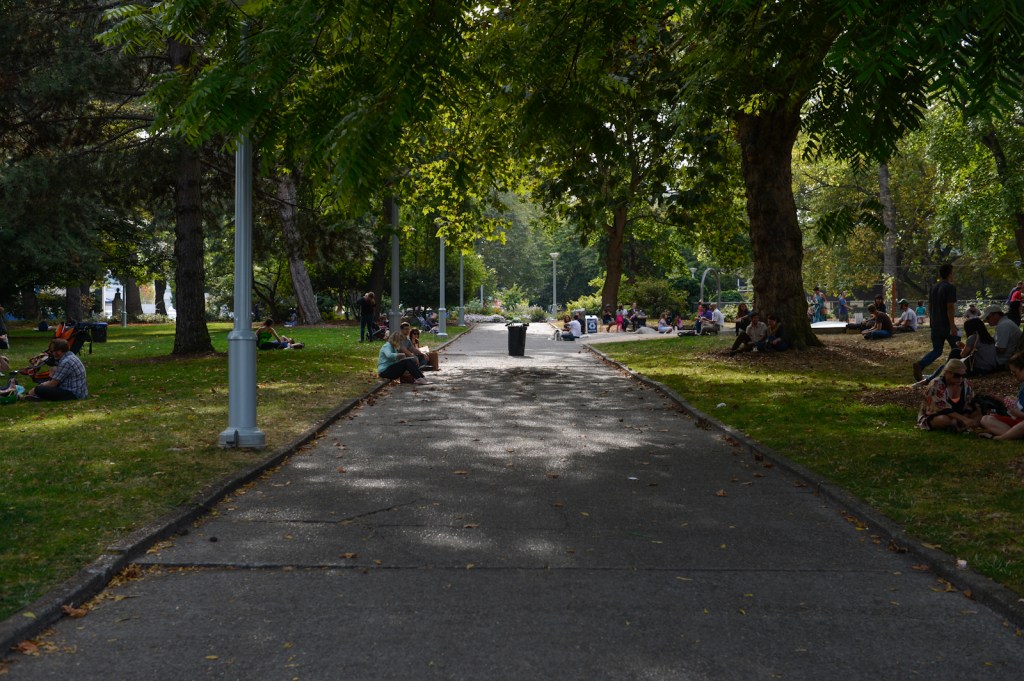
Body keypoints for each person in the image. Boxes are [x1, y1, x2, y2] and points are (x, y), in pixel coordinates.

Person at [913, 263, 958, 382]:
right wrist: (952, 325)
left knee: (937, 350)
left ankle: (921, 364)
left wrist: (931, 321)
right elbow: (949, 307)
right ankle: (949, 371)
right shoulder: (950, 287)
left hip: (935, 324)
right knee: (957, 349)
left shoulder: (933, 288)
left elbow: (930, 306)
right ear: (949, 273)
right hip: (946, 325)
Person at [916, 358, 980, 432]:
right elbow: (942, 408)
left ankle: (960, 427)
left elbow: (971, 402)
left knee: (978, 414)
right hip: (938, 414)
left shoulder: (965, 384)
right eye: (957, 375)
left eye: (963, 375)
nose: (960, 379)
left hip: (960, 414)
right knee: (944, 420)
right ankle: (961, 427)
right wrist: (964, 419)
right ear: (947, 373)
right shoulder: (936, 384)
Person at [979, 352, 1024, 439]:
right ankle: (1014, 434)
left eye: (1015, 372)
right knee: (985, 419)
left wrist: (1018, 413)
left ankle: (1000, 437)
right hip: (1017, 421)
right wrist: (1003, 400)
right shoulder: (1022, 385)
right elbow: (1018, 406)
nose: (1014, 375)